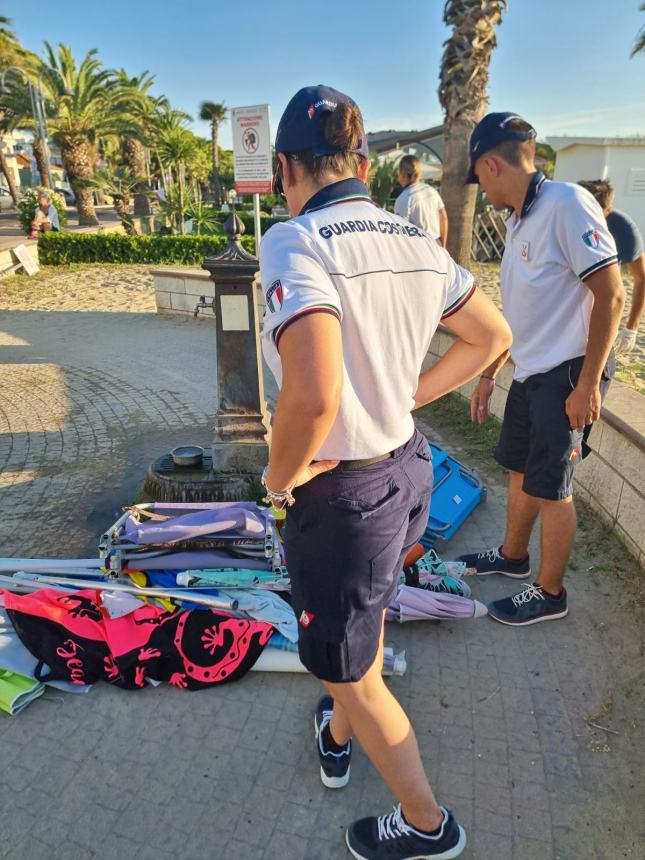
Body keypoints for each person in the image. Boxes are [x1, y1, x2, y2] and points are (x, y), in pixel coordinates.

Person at [260, 85, 511, 860]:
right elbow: (489, 334)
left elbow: (310, 394)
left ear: (281, 168)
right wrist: (410, 393)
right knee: (352, 644)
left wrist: (276, 482)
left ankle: (428, 825)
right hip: (406, 467)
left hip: (341, 492)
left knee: (358, 673)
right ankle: (338, 728)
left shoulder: (295, 240)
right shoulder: (411, 238)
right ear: (363, 163)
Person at [458, 113, 625, 626]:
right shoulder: (519, 218)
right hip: (532, 371)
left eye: (479, 178)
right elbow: (525, 309)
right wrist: (491, 372)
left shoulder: (568, 204)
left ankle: (551, 592)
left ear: (492, 164)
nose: (481, 189)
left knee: (554, 486)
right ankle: (513, 556)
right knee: (519, 468)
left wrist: (589, 384)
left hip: (570, 372)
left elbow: (612, 294)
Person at [578, 179, 644, 357]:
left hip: (598, 301)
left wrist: (632, 328)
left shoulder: (622, 228)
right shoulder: (563, 217)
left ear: (608, 211)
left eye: (594, 215)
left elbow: (641, 277)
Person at [394, 155, 448, 245]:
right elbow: (443, 218)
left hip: (418, 246)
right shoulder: (432, 191)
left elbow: (401, 231)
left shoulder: (404, 198)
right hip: (436, 244)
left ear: (403, 173)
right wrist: (443, 246)